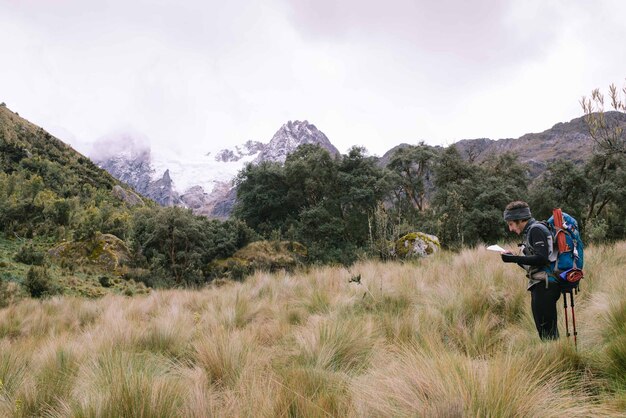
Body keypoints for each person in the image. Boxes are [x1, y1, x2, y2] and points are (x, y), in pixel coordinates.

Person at [500, 201, 561, 340]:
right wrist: (513, 258)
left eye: (511, 224)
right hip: (542, 284)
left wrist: (515, 259)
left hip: (545, 285)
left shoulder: (536, 230)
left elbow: (542, 258)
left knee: (547, 333)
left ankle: (556, 359)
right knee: (546, 331)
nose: (510, 229)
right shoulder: (533, 230)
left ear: (520, 220)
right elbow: (535, 264)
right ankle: (555, 356)